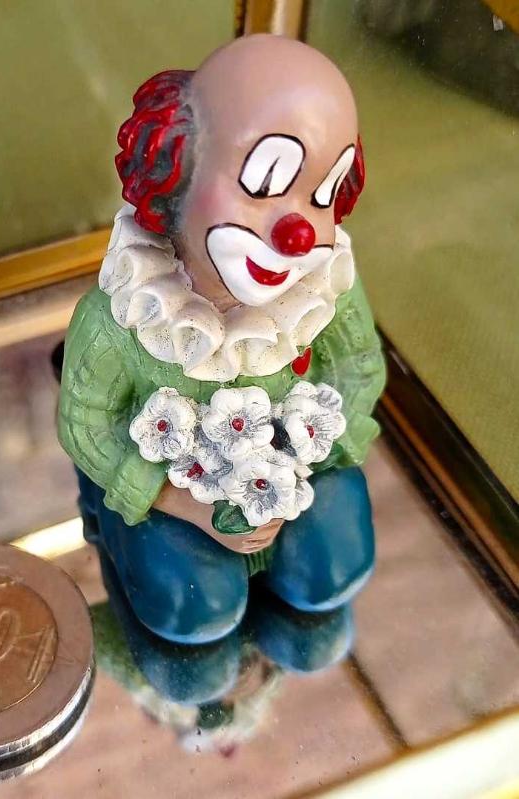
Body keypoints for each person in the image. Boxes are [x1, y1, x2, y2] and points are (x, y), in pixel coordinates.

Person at [58, 34, 385, 644]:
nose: (297, 233)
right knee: (196, 613)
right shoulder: (129, 313)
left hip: (300, 479)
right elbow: (87, 422)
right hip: (174, 499)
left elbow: (357, 367)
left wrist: (297, 471)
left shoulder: (323, 293)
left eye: (322, 194)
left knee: (331, 575)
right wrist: (182, 502)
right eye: (262, 182)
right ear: (175, 170)